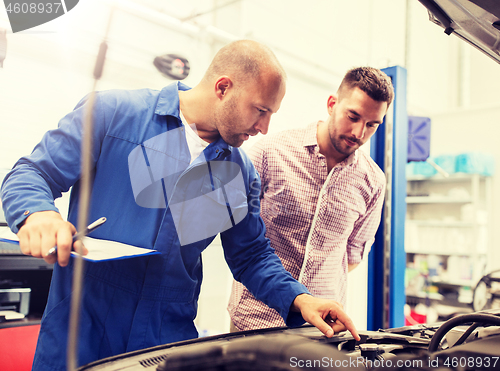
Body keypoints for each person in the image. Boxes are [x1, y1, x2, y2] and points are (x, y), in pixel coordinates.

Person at [0, 40, 360, 371]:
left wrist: (300, 299)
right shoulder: (111, 114)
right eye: (261, 110)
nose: (264, 128)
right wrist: (38, 213)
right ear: (223, 88)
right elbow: (30, 173)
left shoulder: (239, 172)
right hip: (81, 328)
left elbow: (251, 255)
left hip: (166, 338)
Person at [228, 66, 394, 331]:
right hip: (256, 320)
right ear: (332, 104)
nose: (359, 133)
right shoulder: (270, 153)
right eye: (353, 116)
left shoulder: (373, 182)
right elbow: (239, 239)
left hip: (322, 327)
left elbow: (351, 256)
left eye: (372, 125)